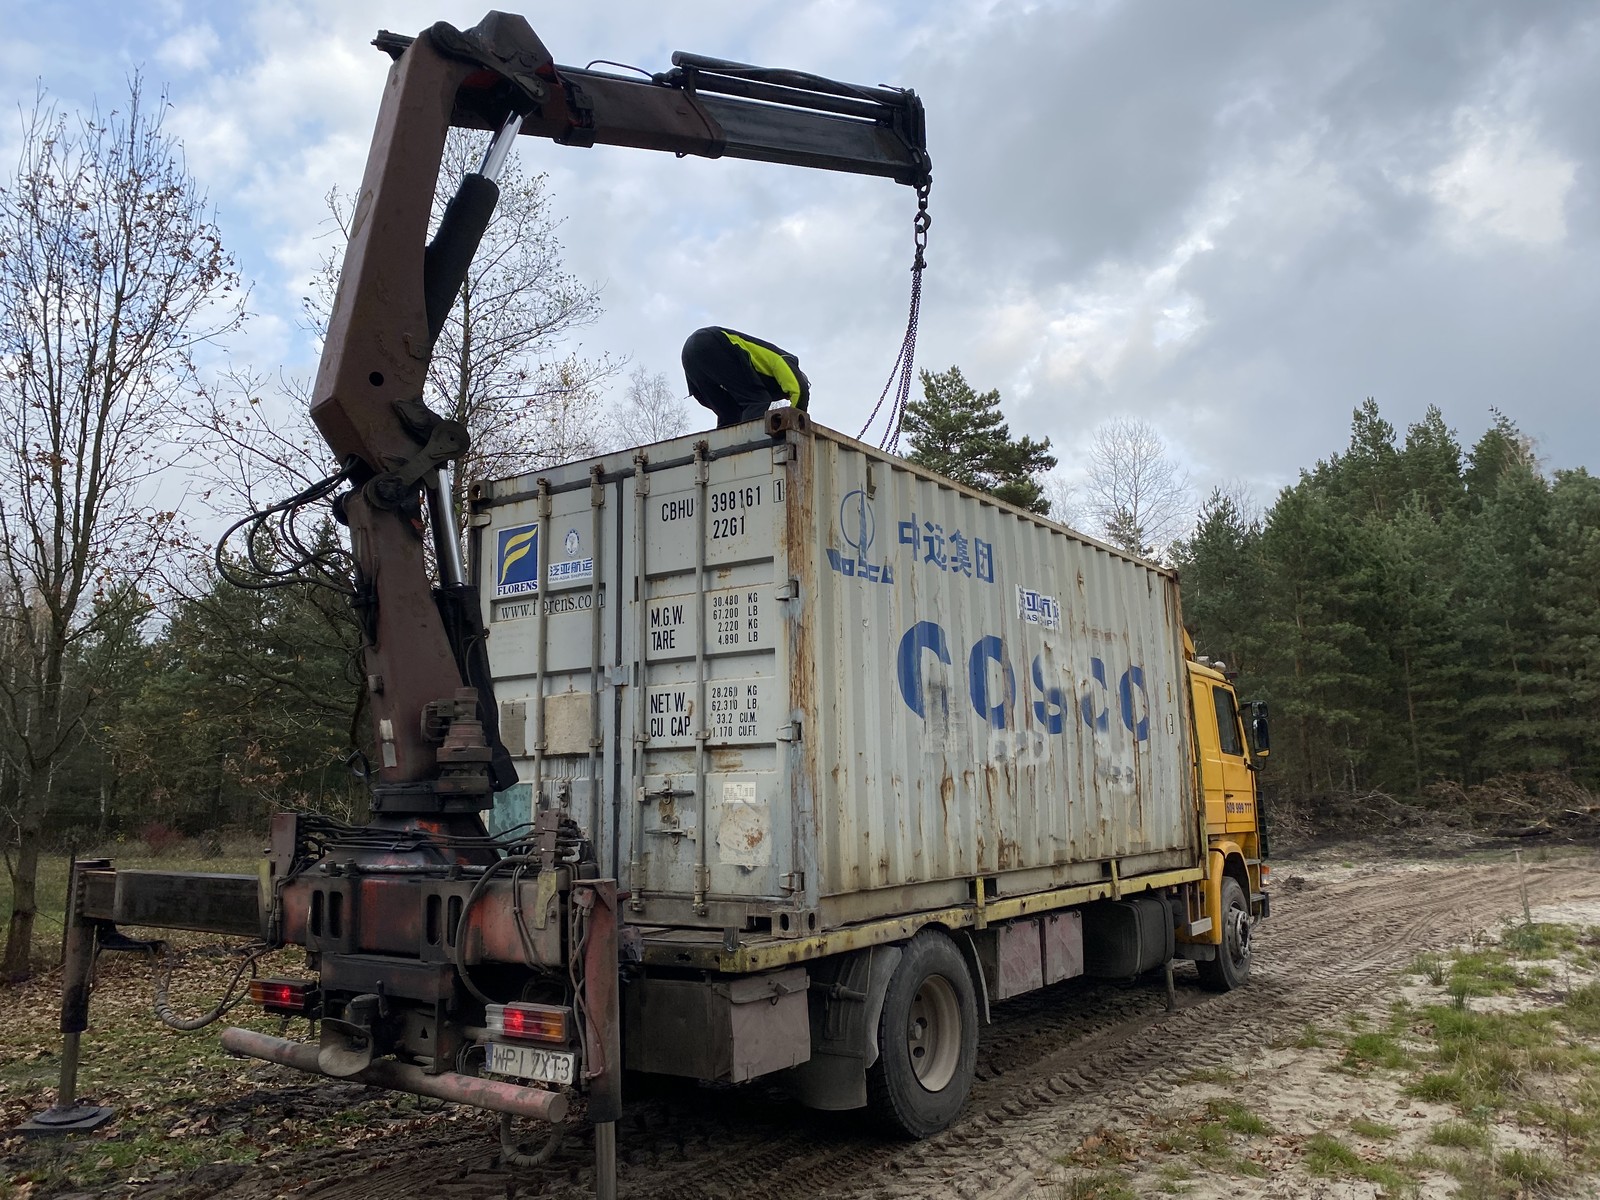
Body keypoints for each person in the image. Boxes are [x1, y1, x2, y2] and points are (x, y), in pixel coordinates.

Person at [681, 326, 810, 428]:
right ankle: (747, 446)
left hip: (690, 358)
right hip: (711, 341)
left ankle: (725, 452)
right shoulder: (786, 360)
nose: (787, 397)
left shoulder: (767, 383)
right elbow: (801, 390)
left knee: (730, 414)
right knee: (757, 400)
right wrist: (795, 427)